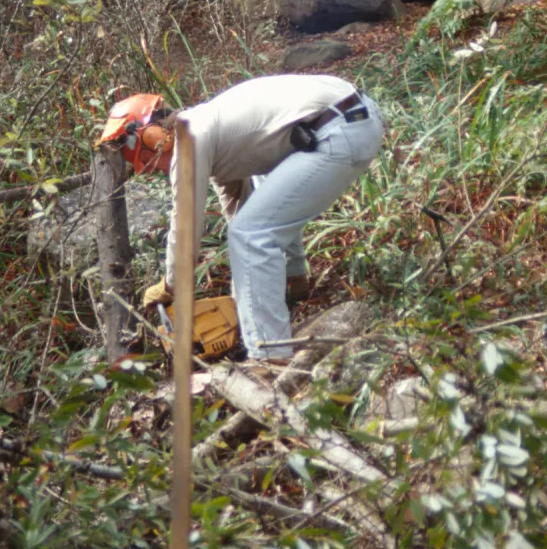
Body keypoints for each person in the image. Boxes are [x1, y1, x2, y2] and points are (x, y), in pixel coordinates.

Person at [98, 74, 384, 364]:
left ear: (153, 138)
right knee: (256, 219)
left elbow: (187, 230)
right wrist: (241, 300)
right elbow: (242, 210)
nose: (155, 171)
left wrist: (170, 285)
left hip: (338, 127)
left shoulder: (190, 139)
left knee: (251, 235)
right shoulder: (213, 134)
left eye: (148, 163)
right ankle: (295, 278)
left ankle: (270, 358)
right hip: (352, 117)